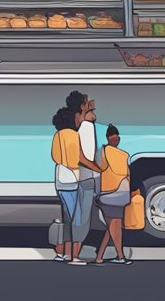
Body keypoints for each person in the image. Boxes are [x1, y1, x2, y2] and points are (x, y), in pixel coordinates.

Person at [51, 105, 101, 265]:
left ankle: (63, 254)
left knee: (67, 218)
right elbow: (80, 158)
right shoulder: (73, 135)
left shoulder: (57, 135)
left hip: (60, 179)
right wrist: (98, 169)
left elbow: (55, 156)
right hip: (72, 179)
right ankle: (73, 256)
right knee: (76, 219)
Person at [68, 90, 102, 262]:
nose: (93, 111)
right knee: (83, 216)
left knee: (79, 214)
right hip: (87, 177)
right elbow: (86, 157)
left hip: (79, 178)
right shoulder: (87, 127)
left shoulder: (76, 127)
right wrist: (100, 171)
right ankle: (77, 253)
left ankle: (74, 251)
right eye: (89, 105)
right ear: (82, 107)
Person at [94, 124, 132, 266]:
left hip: (108, 193)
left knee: (112, 226)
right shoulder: (124, 155)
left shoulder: (102, 152)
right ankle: (113, 256)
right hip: (122, 193)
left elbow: (99, 170)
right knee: (113, 226)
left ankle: (113, 256)